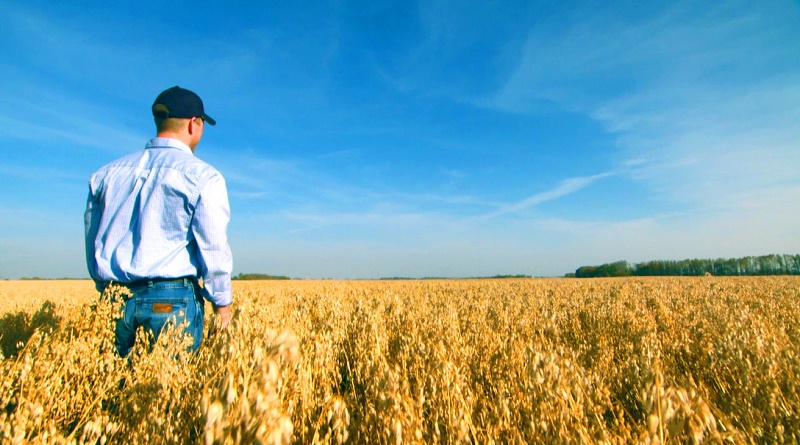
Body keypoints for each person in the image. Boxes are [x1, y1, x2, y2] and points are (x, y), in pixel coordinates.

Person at [84, 86, 233, 357]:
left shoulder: (105, 175)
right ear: (193, 124)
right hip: (171, 300)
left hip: (114, 299)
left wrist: (107, 290)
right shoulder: (203, 176)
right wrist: (222, 307)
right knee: (168, 394)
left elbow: (93, 238)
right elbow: (213, 247)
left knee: (114, 390)